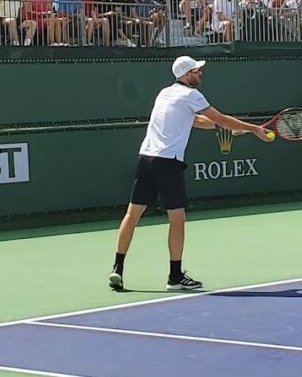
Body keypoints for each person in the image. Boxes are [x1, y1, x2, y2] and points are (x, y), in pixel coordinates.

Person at [109, 56, 274, 291]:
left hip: (146, 159)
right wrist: (253, 129)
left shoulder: (165, 93)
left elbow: (196, 121)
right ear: (187, 75)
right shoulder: (191, 95)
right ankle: (175, 277)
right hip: (168, 163)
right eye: (197, 71)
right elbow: (218, 117)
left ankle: (117, 269)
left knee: (131, 215)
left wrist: (227, 127)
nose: (200, 74)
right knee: (177, 220)